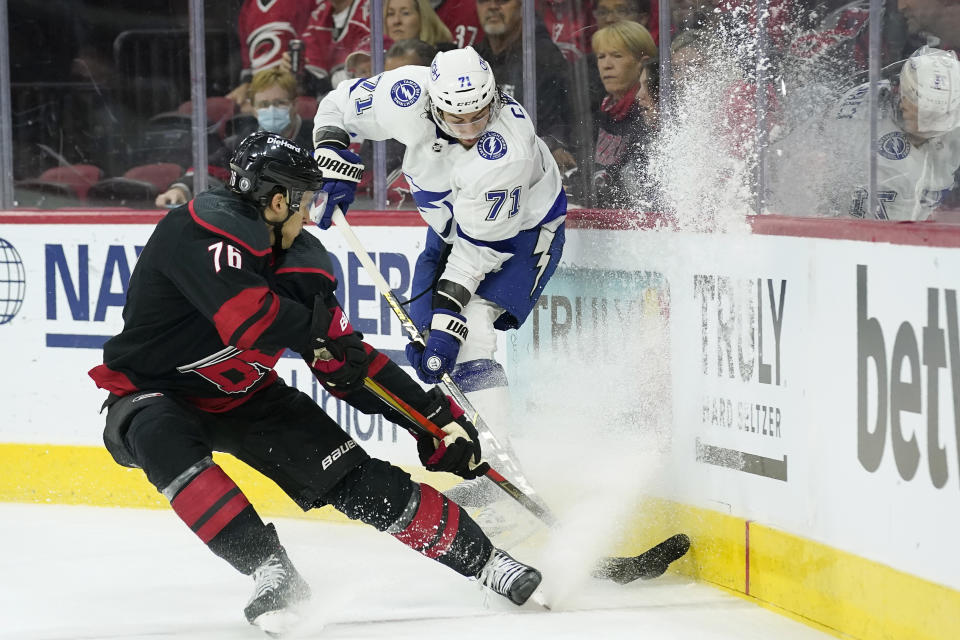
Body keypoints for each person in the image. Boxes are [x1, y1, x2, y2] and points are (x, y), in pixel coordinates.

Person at [89, 131, 543, 636]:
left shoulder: (301, 263)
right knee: (161, 438)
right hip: (154, 393)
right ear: (278, 200)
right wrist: (319, 333)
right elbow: (248, 320)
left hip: (249, 397)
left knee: (358, 481)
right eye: (304, 202)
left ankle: (486, 562)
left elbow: (351, 365)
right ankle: (269, 568)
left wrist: (432, 420)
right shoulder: (193, 232)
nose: (309, 215)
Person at [310, 46, 566, 506]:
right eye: (456, 118)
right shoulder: (405, 94)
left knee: (467, 331)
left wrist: (448, 322)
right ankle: (496, 478)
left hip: (518, 232)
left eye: (479, 115)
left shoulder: (504, 152)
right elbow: (336, 106)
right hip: (452, 222)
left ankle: (502, 477)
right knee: (427, 330)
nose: (470, 131)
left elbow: (476, 254)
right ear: (431, 103)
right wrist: (331, 158)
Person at [155, 68, 313, 208]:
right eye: (264, 104)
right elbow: (212, 170)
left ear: (295, 105)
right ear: (253, 108)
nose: (271, 110)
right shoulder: (242, 142)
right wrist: (181, 188)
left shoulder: (317, 138)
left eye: (280, 103)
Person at [473, 0, 577, 174]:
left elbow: (560, 122)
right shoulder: (473, 58)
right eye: (483, 0)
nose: (492, 6)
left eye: (503, 0)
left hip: (529, 170)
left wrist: (553, 145)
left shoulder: (543, 58)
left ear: (523, 6)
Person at [591, 21, 658, 208]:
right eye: (601, 56)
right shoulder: (602, 107)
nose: (606, 65)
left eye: (617, 56)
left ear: (642, 63)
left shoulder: (648, 112)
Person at [385, 0, 456, 49]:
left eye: (405, 13)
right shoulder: (378, 60)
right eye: (390, 14)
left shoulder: (445, 56)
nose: (396, 21)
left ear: (423, 17)